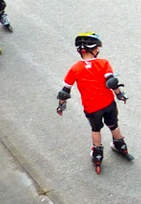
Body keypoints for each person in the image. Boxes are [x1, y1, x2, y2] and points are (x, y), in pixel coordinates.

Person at [56, 32, 131, 169]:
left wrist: (61, 106)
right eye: (97, 48)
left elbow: (65, 91)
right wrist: (120, 95)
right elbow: (112, 82)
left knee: (96, 129)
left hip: (91, 107)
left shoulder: (75, 68)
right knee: (113, 125)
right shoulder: (103, 63)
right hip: (108, 103)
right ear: (94, 49)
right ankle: (120, 145)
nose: (98, 50)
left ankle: (97, 154)